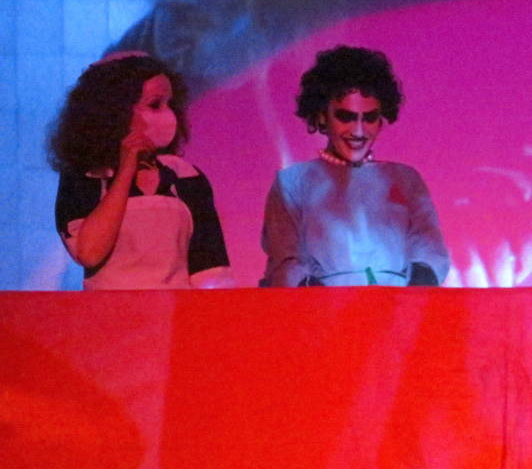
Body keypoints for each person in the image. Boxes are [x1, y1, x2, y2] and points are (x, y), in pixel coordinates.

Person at [260, 45, 450, 286]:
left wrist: (415, 288)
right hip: (322, 308)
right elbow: (285, 263)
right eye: (346, 117)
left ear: (381, 119)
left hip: (398, 306)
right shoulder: (292, 183)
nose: (358, 131)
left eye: (369, 118)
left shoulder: (406, 179)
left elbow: (430, 249)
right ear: (322, 116)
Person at [50, 52, 232, 290]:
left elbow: (210, 269)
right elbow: (89, 253)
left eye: (170, 104)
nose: (168, 115)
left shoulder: (186, 176)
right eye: (155, 104)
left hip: (176, 310)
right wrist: (126, 169)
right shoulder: (84, 176)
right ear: (117, 112)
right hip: (109, 310)